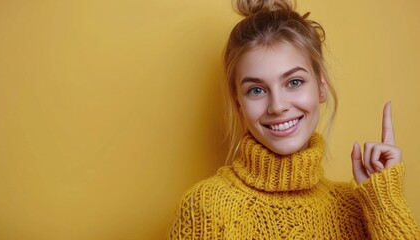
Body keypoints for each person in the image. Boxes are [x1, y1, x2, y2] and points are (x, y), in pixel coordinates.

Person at [168, 0, 420, 239]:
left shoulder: (359, 209)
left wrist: (385, 202)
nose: (277, 106)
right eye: (256, 90)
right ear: (239, 103)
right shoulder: (206, 207)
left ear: (321, 87)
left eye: (294, 82)